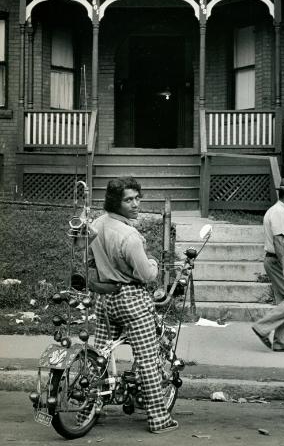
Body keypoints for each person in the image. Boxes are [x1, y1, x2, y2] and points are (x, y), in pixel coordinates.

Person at [88, 176, 178, 434]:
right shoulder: (130, 236)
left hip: (104, 299)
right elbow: (147, 276)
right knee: (148, 359)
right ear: (115, 202)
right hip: (131, 300)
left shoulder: (95, 225)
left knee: (100, 357)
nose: (136, 204)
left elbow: (91, 260)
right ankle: (159, 420)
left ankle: (90, 408)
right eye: (129, 199)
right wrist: (154, 263)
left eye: (138, 198)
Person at [251, 177, 284, 352]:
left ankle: (281, 342)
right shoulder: (280, 212)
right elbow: (278, 241)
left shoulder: (283, 210)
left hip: (281, 260)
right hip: (280, 261)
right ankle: (262, 327)